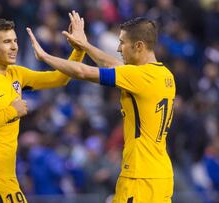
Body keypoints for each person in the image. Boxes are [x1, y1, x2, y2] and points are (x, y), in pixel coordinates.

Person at [27, 11, 176, 203]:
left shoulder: (139, 76)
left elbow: (83, 71)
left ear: (139, 46)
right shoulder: (165, 75)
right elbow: (112, 64)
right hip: (161, 175)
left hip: (140, 178)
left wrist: (45, 57)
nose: (119, 48)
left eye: (122, 42)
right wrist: (85, 45)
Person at [0, 17, 85, 202]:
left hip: (6, 176)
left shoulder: (16, 73)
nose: (14, 47)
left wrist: (79, 49)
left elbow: (60, 78)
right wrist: (11, 111)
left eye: (15, 41)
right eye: (6, 42)